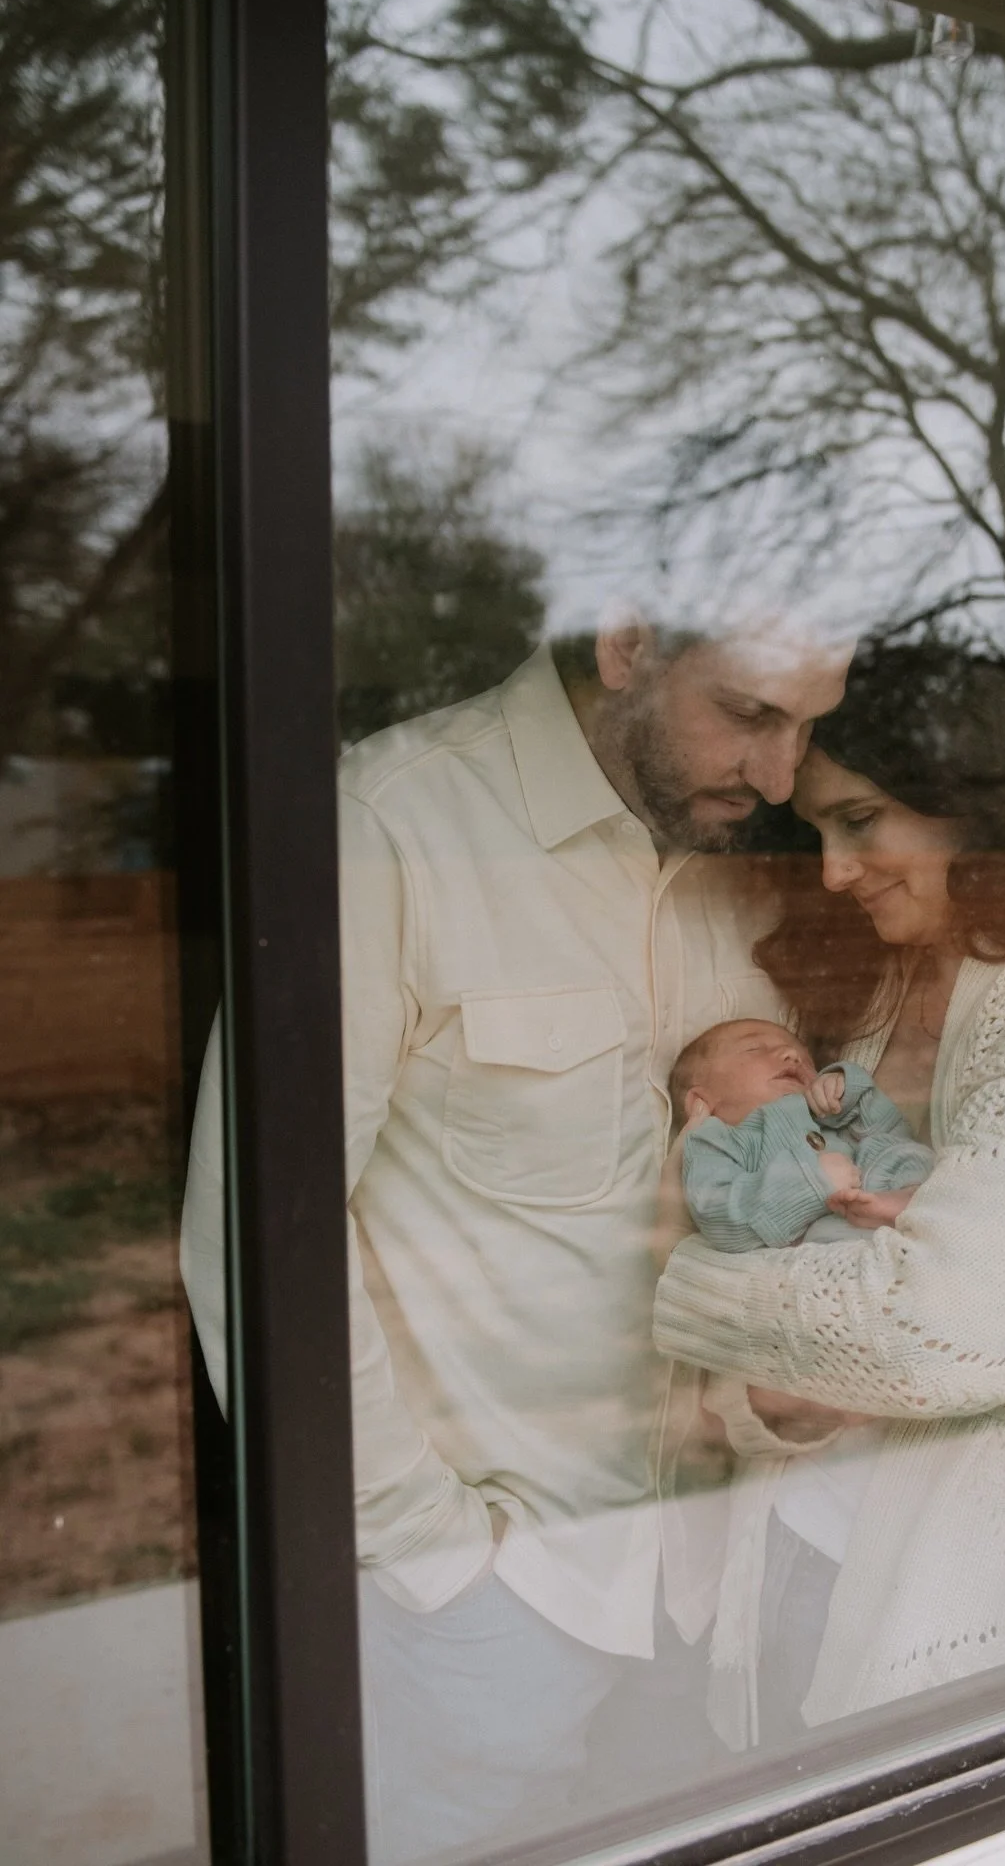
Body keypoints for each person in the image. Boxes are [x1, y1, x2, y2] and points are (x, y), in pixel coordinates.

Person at [179, 619, 850, 1862]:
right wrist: (432, 1561)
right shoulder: (391, 824)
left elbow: (763, 1195)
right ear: (628, 642)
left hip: (707, 1593)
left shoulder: (722, 848)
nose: (780, 775)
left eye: (812, 727)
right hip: (495, 1612)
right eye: (752, 715)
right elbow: (255, 1241)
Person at [651, 640, 1005, 1749]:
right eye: (819, 830)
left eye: (862, 821)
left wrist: (682, 1283)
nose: (831, 870)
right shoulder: (871, 999)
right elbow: (809, 1334)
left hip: (994, 1596)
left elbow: (942, 1331)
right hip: (791, 1558)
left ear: (978, 805)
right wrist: (773, 1400)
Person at [673, 1018, 934, 1250]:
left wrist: (848, 1090)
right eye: (755, 1049)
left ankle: (910, 1197)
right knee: (825, 1235)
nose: (791, 1054)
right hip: (826, 1241)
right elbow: (717, 1213)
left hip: (886, 1200)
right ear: (701, 1099)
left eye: (805, 1059)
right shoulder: (715, 1139)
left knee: (895, 1151)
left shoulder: (827, 1117)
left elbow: (893, 1132)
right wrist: (811, 1180)